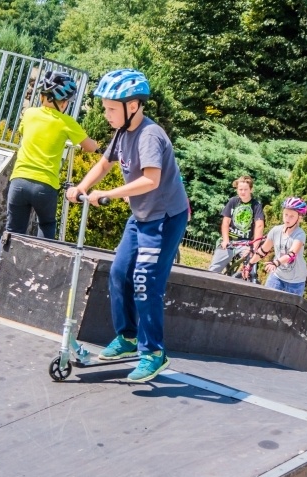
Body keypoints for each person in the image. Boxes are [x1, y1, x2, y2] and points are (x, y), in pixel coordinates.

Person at [67, 69, 188, 383]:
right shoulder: (122, 133)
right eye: (105, 107)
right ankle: (128, 337)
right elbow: (105, 164)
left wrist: (107, 194)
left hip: (165, 218)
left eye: (110, 109)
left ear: (132, 106)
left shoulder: (150, 135)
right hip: (141, 217)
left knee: (145, 281)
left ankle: (154, 353)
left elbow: (151, 180)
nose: (106, 114)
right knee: (120, 272)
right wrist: (81, 188)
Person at [0, 71, 98, 290]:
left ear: (43, 97)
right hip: (45, 186)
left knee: (13, 230)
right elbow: (90, 147)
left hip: (19, 182)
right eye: (67, 101)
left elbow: (23, 132)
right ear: (62, 102)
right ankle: (40, 278)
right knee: (46, 227)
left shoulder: (29, 114)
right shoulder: (67, 122)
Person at [246, 197, 307, 296]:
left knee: (288, 311)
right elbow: (263, 250)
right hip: (277, 277)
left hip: (295, 282)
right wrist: (249, 264)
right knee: (265, 303)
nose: (287, 218)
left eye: (292, 216)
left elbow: (291, 255)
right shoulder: (276, 231)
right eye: (286, 214)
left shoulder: (300, 234)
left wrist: (275, 263)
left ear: (299, 218)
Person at [207, 175, 265, 277]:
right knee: (214, 269)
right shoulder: (233, 201)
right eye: (240, 189)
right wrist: (225, 240)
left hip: (246, 243)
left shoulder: (256, 205)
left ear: (251, 189)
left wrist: (254, 248)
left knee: (251, 269)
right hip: (230, 241)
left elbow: (259, 226)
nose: (243, 192)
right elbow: (225, 222)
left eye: (245, 189)